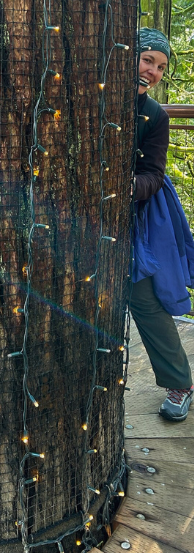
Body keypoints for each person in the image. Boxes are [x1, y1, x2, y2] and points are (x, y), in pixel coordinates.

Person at [131, 27, 194, 421]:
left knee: (144, 298)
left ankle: (180, 383)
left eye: (160, 67)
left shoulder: (154, 115)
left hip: (131, 217)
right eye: (147, 59)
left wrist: (126, 187)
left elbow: (153, 171)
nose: (152, 70)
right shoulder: (91, 96)